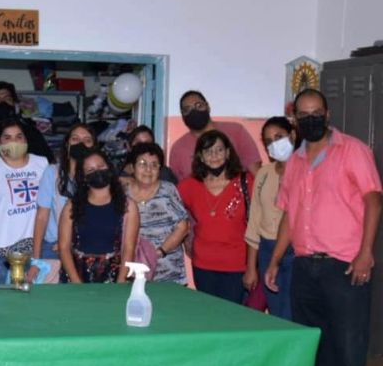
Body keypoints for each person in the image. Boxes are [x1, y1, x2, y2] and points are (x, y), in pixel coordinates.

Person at [265, 89, 382, 366]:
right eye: (304, 115)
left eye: (317, 113)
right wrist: (276, 259)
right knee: (313, 347)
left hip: (344, 266)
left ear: (328, 115)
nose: (311, 119)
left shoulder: (353, 151)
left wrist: (365, 253)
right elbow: (289, 216)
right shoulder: (294, 161)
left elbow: (374, 201)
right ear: (295, 120)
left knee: (347, 347)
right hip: (305, 267)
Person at [178, 130, 254, 304]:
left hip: (237, 266)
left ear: (228, 153)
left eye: (219, 150)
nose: (214, 156)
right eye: (208, 151)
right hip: (203, 265)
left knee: (232, 319)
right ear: (201, 157)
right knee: (208, 318)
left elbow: (258, 223)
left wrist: (252, 267)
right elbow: (171, 208)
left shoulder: (246, 182)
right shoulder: (189, 186)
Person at [0, 119, 49, 284]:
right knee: (1, 307)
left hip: (38, 250)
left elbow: (54, 206)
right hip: (0, 257)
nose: (14, 141)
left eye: (19, 137)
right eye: (7, 137)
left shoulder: (42, 164)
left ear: (26, 140)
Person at [243, 117, 297, 319]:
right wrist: (251, 267)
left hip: (295, 252)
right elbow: (255, 220)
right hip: (267, 249)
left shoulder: (304, 170)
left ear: (292, 135)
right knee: (276, 311)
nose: (274, 144)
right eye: (268, 141)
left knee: (292, 311)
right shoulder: (264, 173)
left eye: (279, 137)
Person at [57, 149, 139, 283]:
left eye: (101, 167)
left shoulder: (128, 206)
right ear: (83, 176)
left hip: (114, 274)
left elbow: (129, 248)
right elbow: (64, 247)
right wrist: (76, 281)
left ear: (110, 168)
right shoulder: (71, 206)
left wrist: (121, 281)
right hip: (76, 273)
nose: (97, 171)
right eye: (90, 170)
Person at [30, 123, 96, 282]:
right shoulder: (52, 172)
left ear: (94, 147)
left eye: (87, 140)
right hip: (53, 247)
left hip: (88, 249)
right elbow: (42, 217)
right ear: (67, 145)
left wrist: (69, 242)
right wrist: (36, 260)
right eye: (75, 139)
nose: (80, 143)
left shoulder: (99, 176)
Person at [125, 143, 189, 284]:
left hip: (168, 273)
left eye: (154, 165)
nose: (148, 169)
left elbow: (183, 227)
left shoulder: (168, 190)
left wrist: (159, 252)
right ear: (132, 167)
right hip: (133, 273)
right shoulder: (123, 193)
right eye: (143, 164)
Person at [169, 90, 262, 180]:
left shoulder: (236, 131)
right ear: (182, 115)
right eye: (187, 109)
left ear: (208, 107)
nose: (194, 111)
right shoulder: (178, 149)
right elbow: (179, 189)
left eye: (199, 105)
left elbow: (256, 173)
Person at [0, 80, 54, 162]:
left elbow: (47, 163)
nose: (3, 103)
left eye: (7, 99)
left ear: (14, 104)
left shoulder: (30, 133)